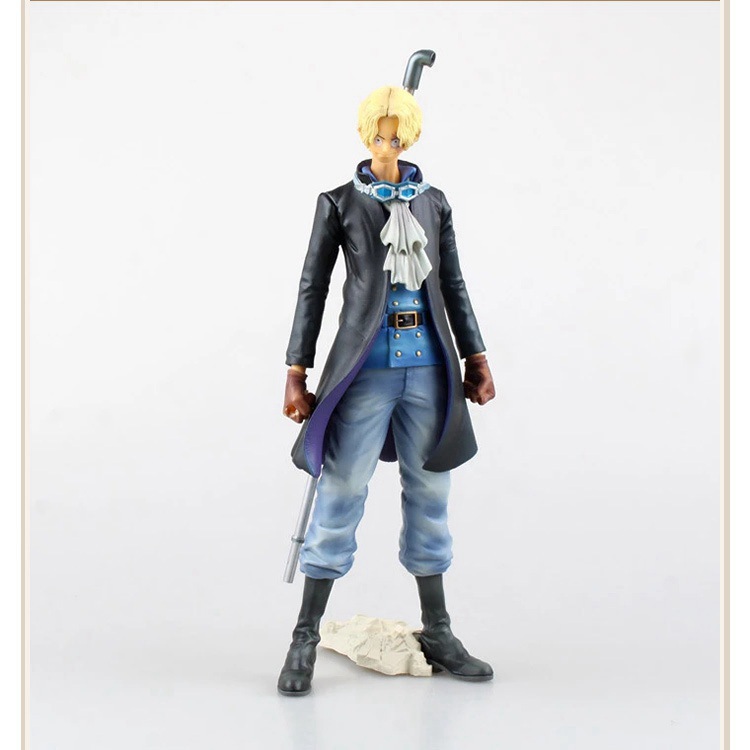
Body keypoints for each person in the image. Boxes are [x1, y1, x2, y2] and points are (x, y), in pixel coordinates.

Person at [278, 85, 496, 696]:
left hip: (428, 370)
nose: (387, 144)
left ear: (411, 138)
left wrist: (476, 356)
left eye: (397, 136)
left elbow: (453, 282)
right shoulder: (339, 203)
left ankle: (438, 630)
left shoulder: (433, 203)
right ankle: (304, 636)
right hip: (365, 371)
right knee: (342, 490)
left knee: (430, 493)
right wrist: (296, 370)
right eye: (379, 134)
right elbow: (312, 288)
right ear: (365, 134)